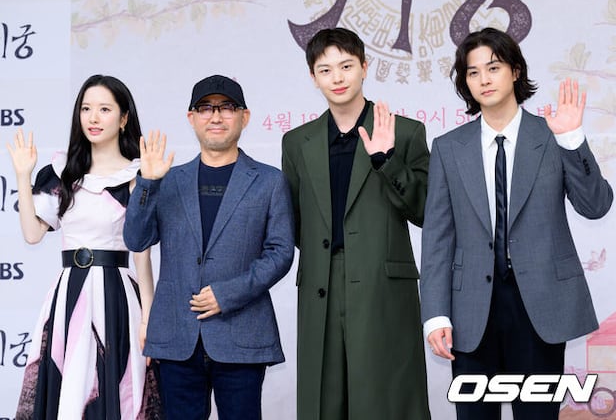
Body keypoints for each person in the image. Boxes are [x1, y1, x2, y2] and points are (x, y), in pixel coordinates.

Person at [420, 27, 613, 420]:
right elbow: (438, 238)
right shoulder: (448, 148)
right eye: (473, 72)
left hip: (540, 305)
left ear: (516, 71)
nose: (484, 79)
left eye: (493, 67)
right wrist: (436, 313)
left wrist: (572, 140)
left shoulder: (552, 136)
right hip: (470, 309)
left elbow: (596, 206)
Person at [123, 74, 294, 420]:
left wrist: (226, 294)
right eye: (205, 108)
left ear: (244, 117)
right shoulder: (168, 180)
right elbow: (136, 240)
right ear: (192, 118)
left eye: (226, 107)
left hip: (241, 334)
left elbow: (280, 252)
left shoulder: (269, 180)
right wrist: (147, 183)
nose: (216, 116)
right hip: (176, 337)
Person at [282, 27, 431, 420]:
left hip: (383, 287)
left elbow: (426, 210)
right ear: (313, 77)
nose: (338, 77)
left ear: (365, 67)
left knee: (385, 400)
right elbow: (294, 218)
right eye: (325, 69)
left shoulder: (405, 132)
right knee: (324, 399)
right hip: (321, 284)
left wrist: (386, 161)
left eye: (346, 66)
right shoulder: (297, 142)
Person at [6, 74, 161, 419]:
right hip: (68, 295)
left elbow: (142, 255)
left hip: (117, 296)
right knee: (69, 388)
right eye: (86, 109)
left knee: (115, 388)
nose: (93, 118)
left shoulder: (137, 176)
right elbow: (32, 234)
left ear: (123, 118)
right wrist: (22, 175)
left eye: (104, 109)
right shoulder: (61, 172)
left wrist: (148, 319)